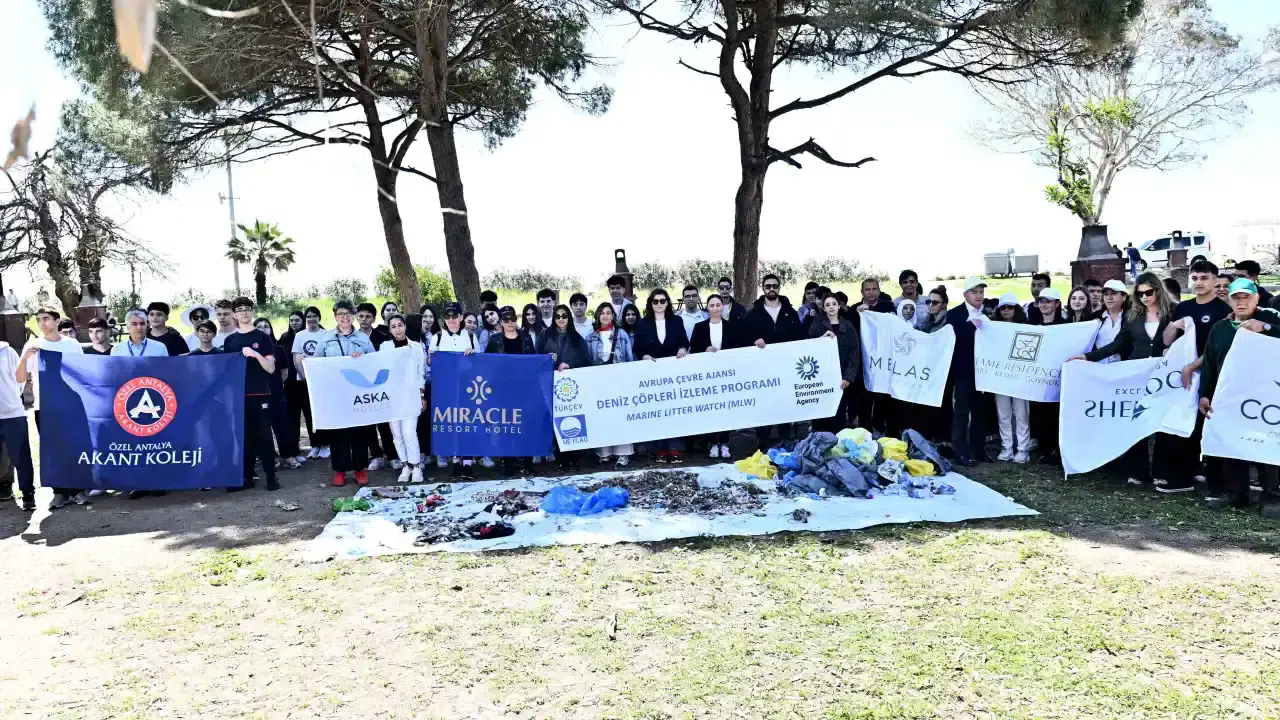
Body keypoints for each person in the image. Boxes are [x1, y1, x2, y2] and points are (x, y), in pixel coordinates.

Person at [1071, 272, 1175, 488]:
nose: (1144, 297)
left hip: (1164, 374)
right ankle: (1137, 471)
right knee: (1136, 419)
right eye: (1140, 293)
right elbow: (1118, 344)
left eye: (1149, 292)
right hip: (1137, 374)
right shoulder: (1133, 316)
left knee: (1163, 422)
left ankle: (1163, 471)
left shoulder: (1173, 312)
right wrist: (1087, 357)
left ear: (1158, 290)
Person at [1197, 278, 1280, 513]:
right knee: (1231, 442)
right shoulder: (1220, 328)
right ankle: (1237, 493)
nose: (1241, 302)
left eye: (1246, 297)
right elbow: (1210, 363)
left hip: (1265, 396)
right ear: (1230, 300)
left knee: (1266, 441)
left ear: (1256, 298)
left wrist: (1265, 328)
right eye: (1236, 298)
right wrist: (1205, 395)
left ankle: (1273, 496)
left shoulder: (1271, 318)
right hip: (1229, 397)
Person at [1162, 260, 1232, 497]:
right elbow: (1167, 340)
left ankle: (1217, 483)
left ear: (1215, 280)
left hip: (1211, 376)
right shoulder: (1183, 307)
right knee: (1183, 426)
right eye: (1195, 278)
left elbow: (1216, 348)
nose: (1199, 283)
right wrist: (1174, 324)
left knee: (1208, 427)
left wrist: (1192, 366)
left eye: (1204, 278)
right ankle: (1184, 476)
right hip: (1185, 378)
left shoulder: (1223, 310)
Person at [14, 307, 82, 509]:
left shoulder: (71, 345)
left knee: (74, 447)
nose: (42, 323)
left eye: (46, 319)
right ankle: (59, 492)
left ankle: (77, 490)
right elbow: (19, 378)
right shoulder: (33, 346)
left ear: (57, 321)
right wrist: (25, 358)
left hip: (70, 405)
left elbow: (83, 372)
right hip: (44, 407)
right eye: (38, 320)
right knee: (53, 451)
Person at [223, 297, 280, 492]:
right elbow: (226, 370)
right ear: (234, 314)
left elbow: (271, 368)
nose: (244, 312)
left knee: (264, 437)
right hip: (239, 396)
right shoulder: (230, 340)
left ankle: (271, 477)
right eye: (239, 309)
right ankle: (246, 477)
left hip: (260, 394)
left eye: (247, 309)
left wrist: (256, 355)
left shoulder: (263, 338)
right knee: (244, 438)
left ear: (251, 312)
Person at [316, 300, 375, 486]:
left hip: (358, 393)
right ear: (335, 316)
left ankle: (359, 469)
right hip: (335, 394)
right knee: (338, 432)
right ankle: (340, 471)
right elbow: (316, 364)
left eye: (349, 313)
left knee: (360, 432)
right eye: (341, 313)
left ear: (353, 316)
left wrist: (363, 359)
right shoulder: (325, 338)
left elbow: (374, 361)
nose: (345, 317)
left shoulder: (363, 338)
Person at [743, 273, 803, 450]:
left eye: (774, 286)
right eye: (768, 286)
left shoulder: (790, 312)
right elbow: (743, 336)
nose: (771, 289)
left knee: (785, 400)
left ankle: (785, 438)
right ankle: (762, 439)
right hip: (763, 368)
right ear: (763, 288)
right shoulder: (753, 314)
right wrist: (754, 340)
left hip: (786, 366)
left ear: (779, 287)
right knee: (764, 402)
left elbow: (799, 337)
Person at [633, 288, 691, 462]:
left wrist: (683, 349)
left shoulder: (676, 321)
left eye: (662, 301)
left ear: (667, 303)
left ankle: (674, 448)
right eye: (655, 301)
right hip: (652, 374)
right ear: (650, 304)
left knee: (674, 410)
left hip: (674, 374)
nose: (659, 304)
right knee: (657, 411)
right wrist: (644, 355)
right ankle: (660, 449)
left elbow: (684, 341)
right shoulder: (643, 324)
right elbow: (637, 347)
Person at [429, 301, 481, 477]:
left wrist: (473, 354)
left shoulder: (471, 337)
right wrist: (431, 357)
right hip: (447, 387)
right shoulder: (437, 337)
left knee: (468, 423)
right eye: (447, 316)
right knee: (452, 424)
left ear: (461, 317)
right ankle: (456, 460)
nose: (451, 319)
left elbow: (481, 362)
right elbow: (430, 363)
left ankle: (468, 462)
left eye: (454, 316)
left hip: (469, 387)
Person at [539, 304, 593, 471]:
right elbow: (535, 358)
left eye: (564, 316)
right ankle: (561, 458)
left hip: (572, 387)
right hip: (550, 384)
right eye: (558, 316)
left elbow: (586, 361)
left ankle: (576, 457)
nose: (561, 319)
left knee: (573, 419)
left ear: (569, 318)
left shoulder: (577, 338)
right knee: (556, 420)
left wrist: (570, 364)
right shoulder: (545, 336)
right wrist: (547, 359)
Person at [485, 306, 538, 475]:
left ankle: (527, 462)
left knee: (526, 425)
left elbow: (534, 359)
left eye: (513, 319)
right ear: (501, 322)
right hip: (503, 389)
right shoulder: (495, 340)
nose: (510, 322)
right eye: (506, 320)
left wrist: (548, 358)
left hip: (524, 388)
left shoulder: (526, 337)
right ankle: (509, 463)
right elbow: (485, 362)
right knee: (506, 425)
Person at [947, 278, 991, 466]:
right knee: (962, 412)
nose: (979, 295)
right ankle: (960, 452)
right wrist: (970, 326)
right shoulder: (954, 314)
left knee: (980, 412)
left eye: (981, 292)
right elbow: (951, 340)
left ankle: (979, 450)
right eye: (974, 292)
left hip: (983, 371)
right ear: (965, 295)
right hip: (963, 371)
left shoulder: (988, 313)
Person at [379, 314, 426, 483]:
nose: (397, 329)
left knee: (409, 432)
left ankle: (416, 466)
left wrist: (421, 395)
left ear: (405, 326)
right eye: (393, 326)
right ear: (389, 329)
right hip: (392, 397)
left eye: (400, 325)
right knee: (397, 434)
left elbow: (421, 372)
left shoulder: (416, 347)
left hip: (411, 396)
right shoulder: (384, 347)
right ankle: (405, 465)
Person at [690, 294, 737, 459]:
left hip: (727, 375)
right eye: (712, 305)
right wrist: (705, 349)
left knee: (726, 409)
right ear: (707, 308)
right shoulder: (699, 327)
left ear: (722, 307)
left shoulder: (731, 327)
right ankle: (713, 443)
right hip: (706, 375)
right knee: (710, 408)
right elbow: (693, 349)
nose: (715, 308)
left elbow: (737, 348)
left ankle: (724, 442)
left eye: (718, 305)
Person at [808, 292, 859, 436]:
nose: (831, 307)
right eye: (827, 305)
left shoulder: (848, 326)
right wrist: (821, 339)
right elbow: (808, 347)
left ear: (839, 306)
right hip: (821, 377)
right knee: (820, 412)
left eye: (834, 304)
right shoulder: (816, 325)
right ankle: (819, 439)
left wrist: (848, 377)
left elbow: (854, 353)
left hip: (841, 379)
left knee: (839, 412)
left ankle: (837, 440)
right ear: (823, 308)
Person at [254, 317, 302, 469]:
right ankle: (270, 457)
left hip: (276, 394)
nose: (263, 329)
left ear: (271, 329)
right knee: (263, 428)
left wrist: (275, 385)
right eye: (259, 326)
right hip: (258, 395)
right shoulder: (250, 351)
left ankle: (287, 456)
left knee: (282, 426)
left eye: (266, 326)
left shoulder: (278, 349)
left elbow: (284, 373)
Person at [989, 294, 1031, 463]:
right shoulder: (993, 329)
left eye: (1010, 307)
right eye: (1003, 308)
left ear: (1016, 309)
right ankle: (1007, 447)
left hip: (1020, 377)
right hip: (1001, 377)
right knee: (1003, 414)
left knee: (1021, 414)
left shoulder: (1026, 327)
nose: (1006, 311)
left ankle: (1023, 449)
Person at [0, 338, 35, 511]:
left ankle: (28, 495)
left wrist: (10, 399)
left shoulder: (8, 352)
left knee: (21, 457)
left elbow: (20, 381)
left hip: (13, 414)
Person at [291, 306, 329, 459]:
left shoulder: (326, 334)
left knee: (322, 413)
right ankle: (315, 445)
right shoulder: (300, 335)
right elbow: (296, 358)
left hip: (322, 381)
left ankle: (326, 444)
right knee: (308, 414)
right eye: (308, 316)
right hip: (304, 382)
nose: (311, 319)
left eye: (314, 316)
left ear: (319, 318)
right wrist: (305, 378)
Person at [1092, 280, 1129, 364]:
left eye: (1114, 293)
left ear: (1124, 296)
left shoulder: (1131, 318)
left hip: (1123, 366)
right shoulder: (1095, 317)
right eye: (1106, 294)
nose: (1109, 297)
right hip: (1097, 366)